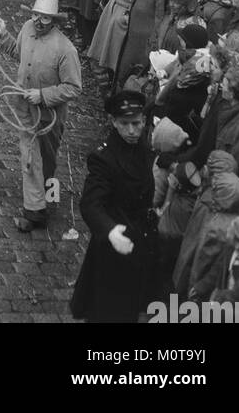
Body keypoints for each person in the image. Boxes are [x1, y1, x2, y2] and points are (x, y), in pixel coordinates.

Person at [0, 0, 82, 232]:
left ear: (55, 20)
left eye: (45, 18)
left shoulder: (66, 49)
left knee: (47, 156)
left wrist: (42, 95)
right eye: (35, 15)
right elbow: (17, 53)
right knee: (31, 157)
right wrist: (2, 35)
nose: (38, 21)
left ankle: (43, 194)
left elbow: (73, 87)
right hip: (25, 110)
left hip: (50, 115)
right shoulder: (27, 29)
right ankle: (35, 212)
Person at [70, 89, 159, 323]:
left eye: (137, 123)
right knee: (108, 309)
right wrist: (109, 231)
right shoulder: (104, 158)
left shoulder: (142, 147)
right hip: (114, 243)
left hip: (140, 237)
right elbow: (90, 203)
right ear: (113, 122)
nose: (132, 130)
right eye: (125, 123)